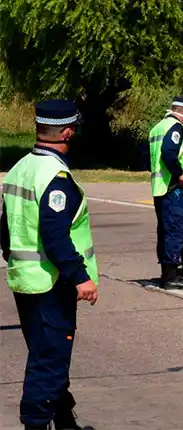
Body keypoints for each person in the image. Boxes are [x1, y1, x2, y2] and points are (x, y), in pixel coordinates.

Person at [1, 99, 99, 429]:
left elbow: (5, 228)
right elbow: (55, 235)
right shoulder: (55, 176)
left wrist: (16, 260)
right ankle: (36, 422)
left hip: (26, 279)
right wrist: (79, 277)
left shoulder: (20, 167)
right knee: (48, 360)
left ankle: (65, 423)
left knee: (50, 353)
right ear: (68, 131)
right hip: (51, 283)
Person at [148, 96, 183, 290]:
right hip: (173, 187)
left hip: (160, 188)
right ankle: (171, 276)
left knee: (165, 230)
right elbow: (169, 153)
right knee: (175, 230)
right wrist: (180, 173)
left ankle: (166, 273)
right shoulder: (175, 128)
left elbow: (147, 157)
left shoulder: (157, 127)